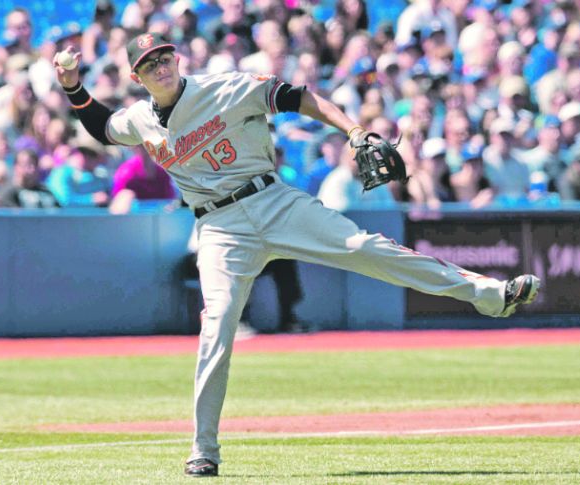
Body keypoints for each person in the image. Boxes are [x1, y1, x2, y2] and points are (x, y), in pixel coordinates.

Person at [53, 33, 540, 477]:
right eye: (148, 63)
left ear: (178, 58)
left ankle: (489, 294)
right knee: (217, 324)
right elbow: (102, 126)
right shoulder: (139, 118)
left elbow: (297, 96)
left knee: (367, 248)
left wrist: (352, 131)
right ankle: (204, 449)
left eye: (164, 56)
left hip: (273, 200)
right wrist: (73, 86)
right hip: (218, 226)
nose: (160, 66)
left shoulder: (225, 87)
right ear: (137, 77)